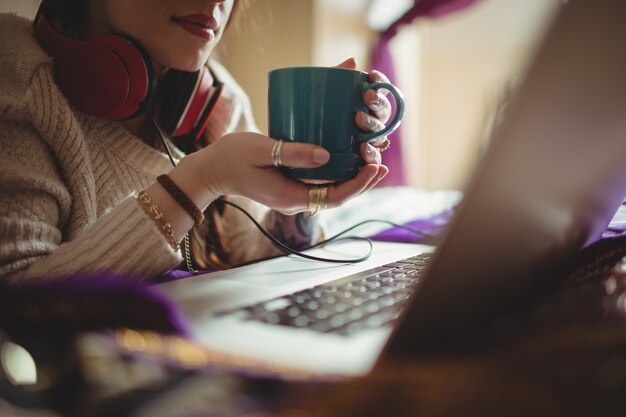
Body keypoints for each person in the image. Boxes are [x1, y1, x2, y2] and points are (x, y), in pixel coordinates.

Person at [0, 0, 394, 283]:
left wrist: (307, 182)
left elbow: (253, 249)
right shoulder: (14, 75)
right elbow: (18, 308)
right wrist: (198, 182)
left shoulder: (218, 101)